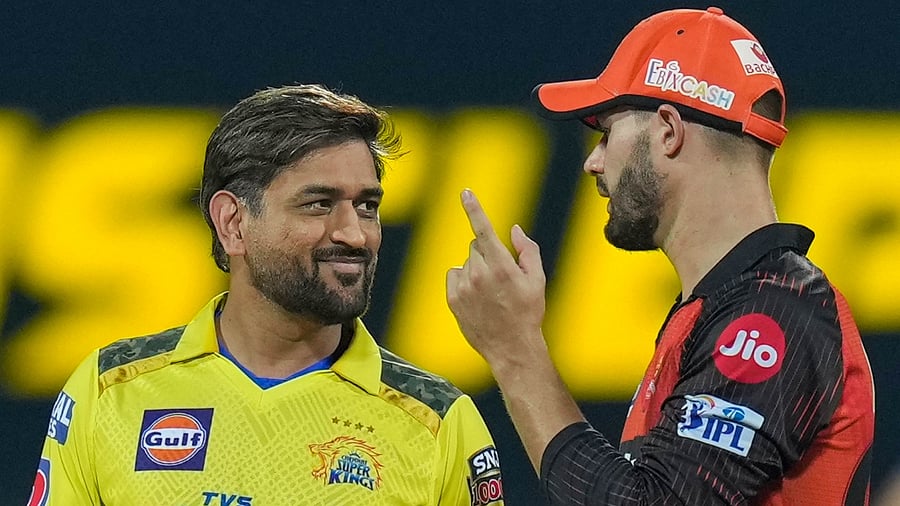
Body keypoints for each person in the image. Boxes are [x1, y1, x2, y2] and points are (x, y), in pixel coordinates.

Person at [446, 7, 874, 505]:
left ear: (668, 130)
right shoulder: (726, 307)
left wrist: (516, 352)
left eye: (607, 133)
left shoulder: (771, 315)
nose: (593, 162)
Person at [29, 84, 505, 505]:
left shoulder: (437, 421)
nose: (355, 234)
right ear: (233, 223)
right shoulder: (109, 389)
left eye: (366, 206)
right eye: (318, 204)